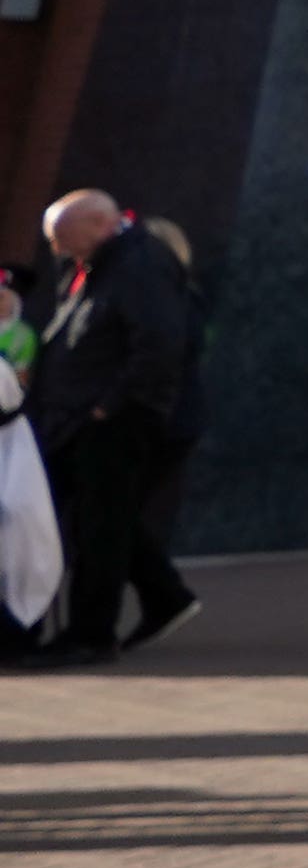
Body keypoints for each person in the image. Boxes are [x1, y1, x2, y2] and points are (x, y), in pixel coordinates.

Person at [27, 191, 201, 661]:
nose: (60, 251)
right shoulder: (97, 263)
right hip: (78, 416)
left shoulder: (139, 264)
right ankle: (162, 597)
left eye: (64, 239)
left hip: (109, 420)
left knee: (99, 526)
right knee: (99, 519)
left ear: (100, 224)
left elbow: (159, 344)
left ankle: (90, 634)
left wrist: (111, 405)